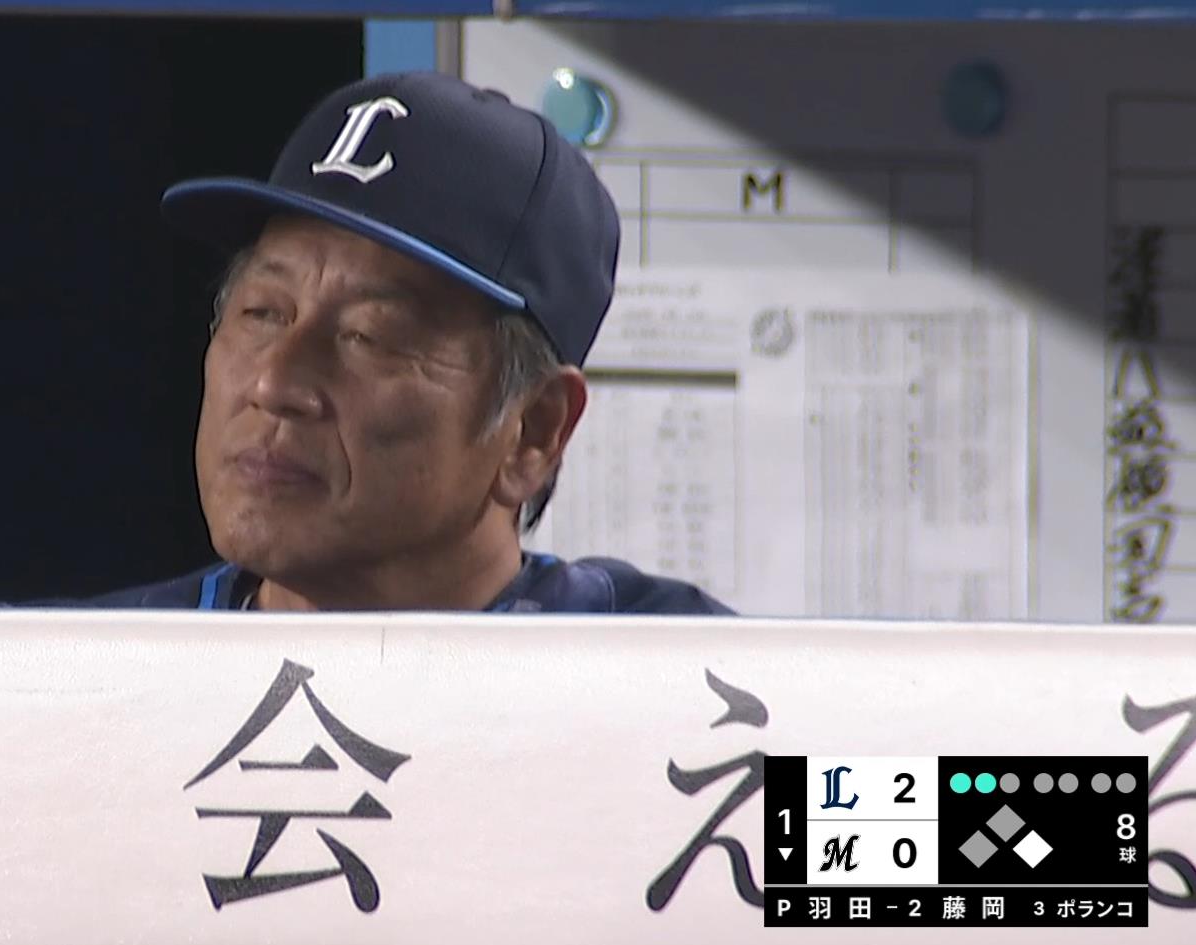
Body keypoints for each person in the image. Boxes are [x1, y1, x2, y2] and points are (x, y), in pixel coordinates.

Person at [84, 72, 728, 614]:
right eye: (262, 313)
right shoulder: (77, 682)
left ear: (533, 429)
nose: (273, 384)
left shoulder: (689, 688)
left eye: (368, 336)